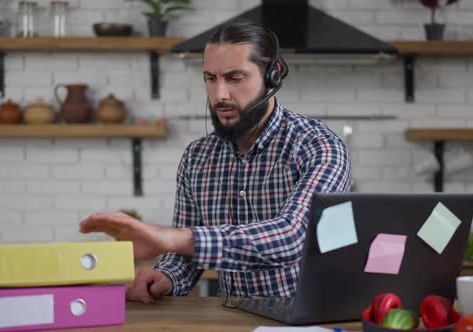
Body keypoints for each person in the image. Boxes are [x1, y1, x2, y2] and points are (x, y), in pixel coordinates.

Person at [79, 19, 352, 303]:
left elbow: (292, 237)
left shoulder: (319, 146)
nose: (219, 95)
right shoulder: (197, 157)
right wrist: (166, 276)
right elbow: (184, 260)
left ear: (274, 75)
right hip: (231, 316)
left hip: (310, 320)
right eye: (210, 78)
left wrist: (170, 238)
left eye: (235, 78)